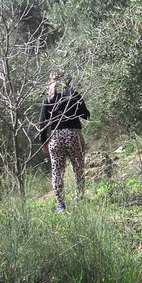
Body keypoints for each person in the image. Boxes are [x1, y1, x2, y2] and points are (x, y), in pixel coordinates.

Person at [39, 75, 91, 213]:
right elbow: (86, 115)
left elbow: (42, 124)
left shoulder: (48, 101)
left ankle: (60, 205)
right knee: (78, 168)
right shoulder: (74, 96)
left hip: (56, 137)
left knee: (57, 172)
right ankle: (79, 198)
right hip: (73, 135)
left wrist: (43, 142)